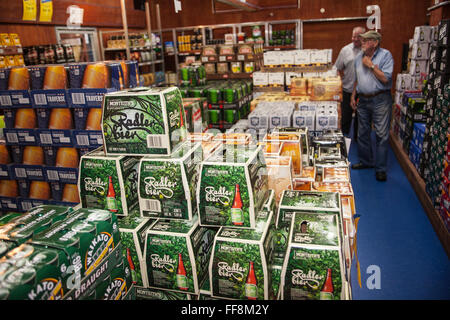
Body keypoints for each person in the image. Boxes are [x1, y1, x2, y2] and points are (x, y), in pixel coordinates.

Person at [350, 30, 394, 182]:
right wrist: (353, 95)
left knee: (381, 135)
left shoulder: (385, 55)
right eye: (362, 40)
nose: (362, 42)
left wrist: (371, 65)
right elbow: (357, 80)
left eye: (366, 40)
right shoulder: (358, 58)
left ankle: (381, 169)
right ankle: (366, 161)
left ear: (375, 43)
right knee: (362, 133)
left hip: (380, 100)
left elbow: (386, 79)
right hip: (363, 100)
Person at [334, 26, 365, 141]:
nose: (354, 39)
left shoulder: (368, 50)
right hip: (347, 89)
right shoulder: (345, 50)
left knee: (361, 119)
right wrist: (338, 83)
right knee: (345, 118)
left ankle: (358, 140)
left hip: (363, 92)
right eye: (353, 36)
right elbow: (337, 68)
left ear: (363, 37)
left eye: (358, 37)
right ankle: (344, 140)